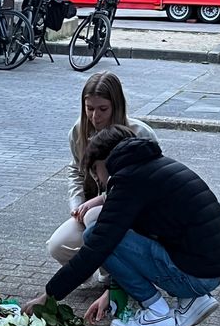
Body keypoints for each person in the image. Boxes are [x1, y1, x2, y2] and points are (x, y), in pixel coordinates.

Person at [24, 125, 220, 326]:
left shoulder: (128, 181)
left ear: (106, 161)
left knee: (93, 234)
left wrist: (48, 297)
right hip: (208, 269)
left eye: (96, 172)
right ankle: (193, 300)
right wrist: (112, 293)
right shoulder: (151, 166)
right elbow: (128, 245)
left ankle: (157, 314)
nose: (99, 182)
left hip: (196, 275)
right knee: (107, 234)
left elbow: (99, 246)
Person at [46, 71, 158, 281]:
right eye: (89, 109)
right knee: (57, 245)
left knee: (95, 220)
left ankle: (125, 274)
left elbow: (146, 185)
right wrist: (76, 204)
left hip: (134, 213)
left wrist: (101, 200)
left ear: (116, 106)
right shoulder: (78, 132)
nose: (95, 117)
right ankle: (100, 269)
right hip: (94, 210)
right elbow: (76, 171)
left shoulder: (141, 134)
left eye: (102, 109)